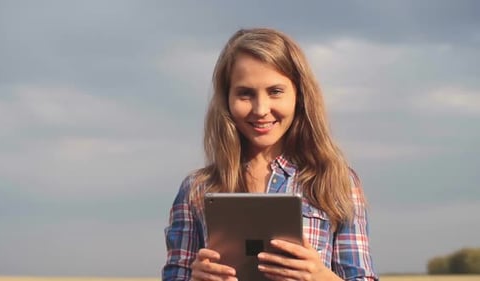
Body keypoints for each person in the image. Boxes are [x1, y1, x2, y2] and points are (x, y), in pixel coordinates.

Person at [162, 27, 379, 281]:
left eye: (275, 91)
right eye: (245, 93)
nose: (261, 109)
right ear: (227, 99)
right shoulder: (196, 189)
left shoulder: (336, 181)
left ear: (299, 96)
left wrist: (319, 276)